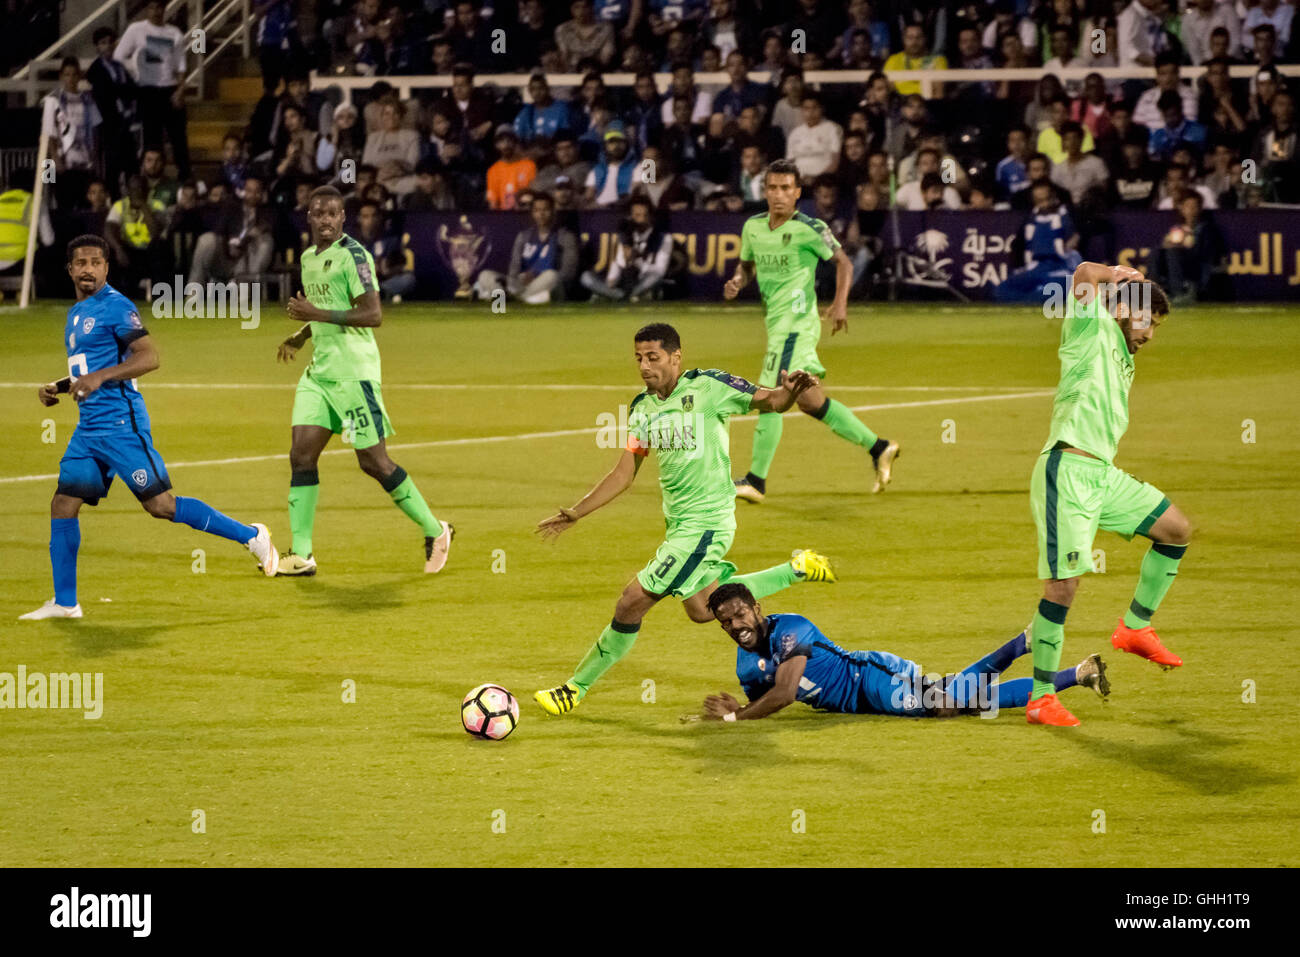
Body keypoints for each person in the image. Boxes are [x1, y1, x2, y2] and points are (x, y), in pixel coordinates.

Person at [531, 322, 836, 715]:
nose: (644, 366)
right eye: (639, 358)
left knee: (631, 601)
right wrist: (577, 511)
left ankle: (573, 689)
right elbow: (624, 473)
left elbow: (771, 402)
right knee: (701, 609)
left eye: (653, 357)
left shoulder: (709, 387)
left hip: (707, 523)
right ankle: (796, 568)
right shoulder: (642, 407)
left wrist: (792, 389)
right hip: (680, 526)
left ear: (676, 357)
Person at [20, 235, 278, 620]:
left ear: (106, 267)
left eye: (95, 262)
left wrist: (99, 379)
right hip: (89, 431)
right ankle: (65, 602)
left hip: (122, 426)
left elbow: (149, 357)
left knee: (161, 506)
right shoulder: (76, 313)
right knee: (63, 503)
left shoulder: (117, 307)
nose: (88, 269)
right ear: (70, 269)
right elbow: (89, 369)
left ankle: (253, 537)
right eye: (81, 263)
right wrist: (58, 387)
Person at [1020, 261, 1189, 726]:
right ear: (1124, 309)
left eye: (1156, 326)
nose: (1151, 335)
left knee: (1175, 529)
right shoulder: (1088, 327)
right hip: (1067, 471)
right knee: (1063, 585)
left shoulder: (1124, 354)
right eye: (1148, 322)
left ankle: (1134, 627)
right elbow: (1081, 274)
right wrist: (1117, 273)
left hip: (1102, 476)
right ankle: (1040, 698)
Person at [274, 186, 452, 577]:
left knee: (373, 462)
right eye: (318, 213)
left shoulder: (355, 256)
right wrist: (303, 334)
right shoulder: (308, 257)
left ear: (342, 218)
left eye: (332, 214)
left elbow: (372, 314)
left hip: (354, 375)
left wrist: (313, 312)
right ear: (309, 216)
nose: (325, 220)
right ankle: (302, 555)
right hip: (320, 376)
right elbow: (328, 309)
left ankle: (435, 530)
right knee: (301, 456)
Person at [727, 159, 899, 504]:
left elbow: (844, 263)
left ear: (797, 192)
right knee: (809, 402)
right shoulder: (753, 227)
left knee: (771, 395)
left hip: (796, 325)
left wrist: (840, 304)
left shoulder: (810, 227)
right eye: (773, 188)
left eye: (786, 188)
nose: (778, 195)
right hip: (776, 325)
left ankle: (756, 480)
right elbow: (746, 267)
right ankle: (879, 447)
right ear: (764, 191)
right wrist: (737, 281)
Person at [696, 583, 1108, 721]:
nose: (737, 626)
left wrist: (734, 718)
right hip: (856, 705)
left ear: (757, 609)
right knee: (959, 697)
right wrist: (740, 706)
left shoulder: (791, 629)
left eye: (740, 615)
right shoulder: (745, 662)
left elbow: (784, 694)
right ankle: (1071, 668)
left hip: (869, 677)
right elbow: (763, 701)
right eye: (726, 623)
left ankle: (1031, 650)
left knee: (947, 706)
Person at [114, 0, 190, 180]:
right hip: (147, 90)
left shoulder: (174, 32)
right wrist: (135, 69)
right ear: (147, 9)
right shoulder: (136, 29)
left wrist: (180, 91)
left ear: (164, 9)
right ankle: (151, 179)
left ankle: (185, 179)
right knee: (152, 140)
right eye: (152, 7)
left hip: (169, 89)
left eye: (159, 7)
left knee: (179, 138)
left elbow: (180, 66)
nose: (156, 11)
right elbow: (118, 56)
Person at [476, 191, 579, 304]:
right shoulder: (524, 237)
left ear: (553, 212)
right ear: (532, 213)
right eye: (537, 210)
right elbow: (513, 270)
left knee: (552, 276)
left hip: (545, 284)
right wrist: (516, 282)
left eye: (545, 210)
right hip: (521, 284)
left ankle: (514, 300)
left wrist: (536, 276)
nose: (541, 214)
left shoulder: (564, 237)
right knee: (485, 275)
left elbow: (568, 274)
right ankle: (502, 303)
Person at [994, 180, 1079, 303]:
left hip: (1059, 268)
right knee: (1002, 289)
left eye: (1046, 199)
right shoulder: (1031, 219)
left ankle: (1035, 296)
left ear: (1054, 197)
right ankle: (1030, 298)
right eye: (1038, 200)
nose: (1043, 204)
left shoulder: (1067, 215)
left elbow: (1075, 239)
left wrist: (1070, 246)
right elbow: (1020, 245)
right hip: (1036, 268)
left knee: (1056, 290)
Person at [581, 196, 673, 301]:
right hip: (624, 281)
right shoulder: (626, 234)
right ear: (631, 216)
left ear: (651, 216)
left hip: (644, 280)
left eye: (645, 215)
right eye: (637, 215)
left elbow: (660, 270)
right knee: (586, 277)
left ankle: (617, 296)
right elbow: (618, 263)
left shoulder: (663, 238)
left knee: (655, 278)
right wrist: (611, 280)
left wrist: (637, 260)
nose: (641, 219)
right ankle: (619, 296)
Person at [41, 57, 103, 215]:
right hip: (62, 163)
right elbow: (49, 132)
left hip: (84, 161)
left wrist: (94, 158)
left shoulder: (88, 100)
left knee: (85, 204)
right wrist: (55, 159)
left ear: (79, 76)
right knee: (62, 205)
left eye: (74, 74)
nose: (71, 78)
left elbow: (95, 130)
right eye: (67, 74)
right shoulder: (54, 100)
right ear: (62, 76)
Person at [188, 173, 275, 284]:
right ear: (243, 191)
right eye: (249, 190)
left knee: (266, 240)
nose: (253, 194)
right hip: (227, 258)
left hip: (249, 260)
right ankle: (194, 289)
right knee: (207, 239)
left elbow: (271, 226)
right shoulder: (231, 208)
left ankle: (249, 285)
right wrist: (229, 244)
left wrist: (255, 233)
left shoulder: (269, 211)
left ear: (263, 194)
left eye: (257, 191)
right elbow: (218, 231)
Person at [86, 26, 137, 197]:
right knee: (112, 170)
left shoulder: (119, 67)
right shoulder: (95, 70)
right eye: (103, 43)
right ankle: (115, 205)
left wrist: (120, 90)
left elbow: (131, 89)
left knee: (132, 168)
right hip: (109, 126)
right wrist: (121, 90)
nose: (107, 46)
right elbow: (105, 94)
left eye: (110, 42)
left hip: (125, 123)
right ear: (97, 46)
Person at [485, 126, 537, 211]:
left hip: (526, 213)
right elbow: (493, 203)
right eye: (501, 141)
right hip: (503, 217)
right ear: (496, 145)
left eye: (509, 140)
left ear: (515, 142)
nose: (506, 144)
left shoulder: (529, 165)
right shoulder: (493, 170)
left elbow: (534, 194)